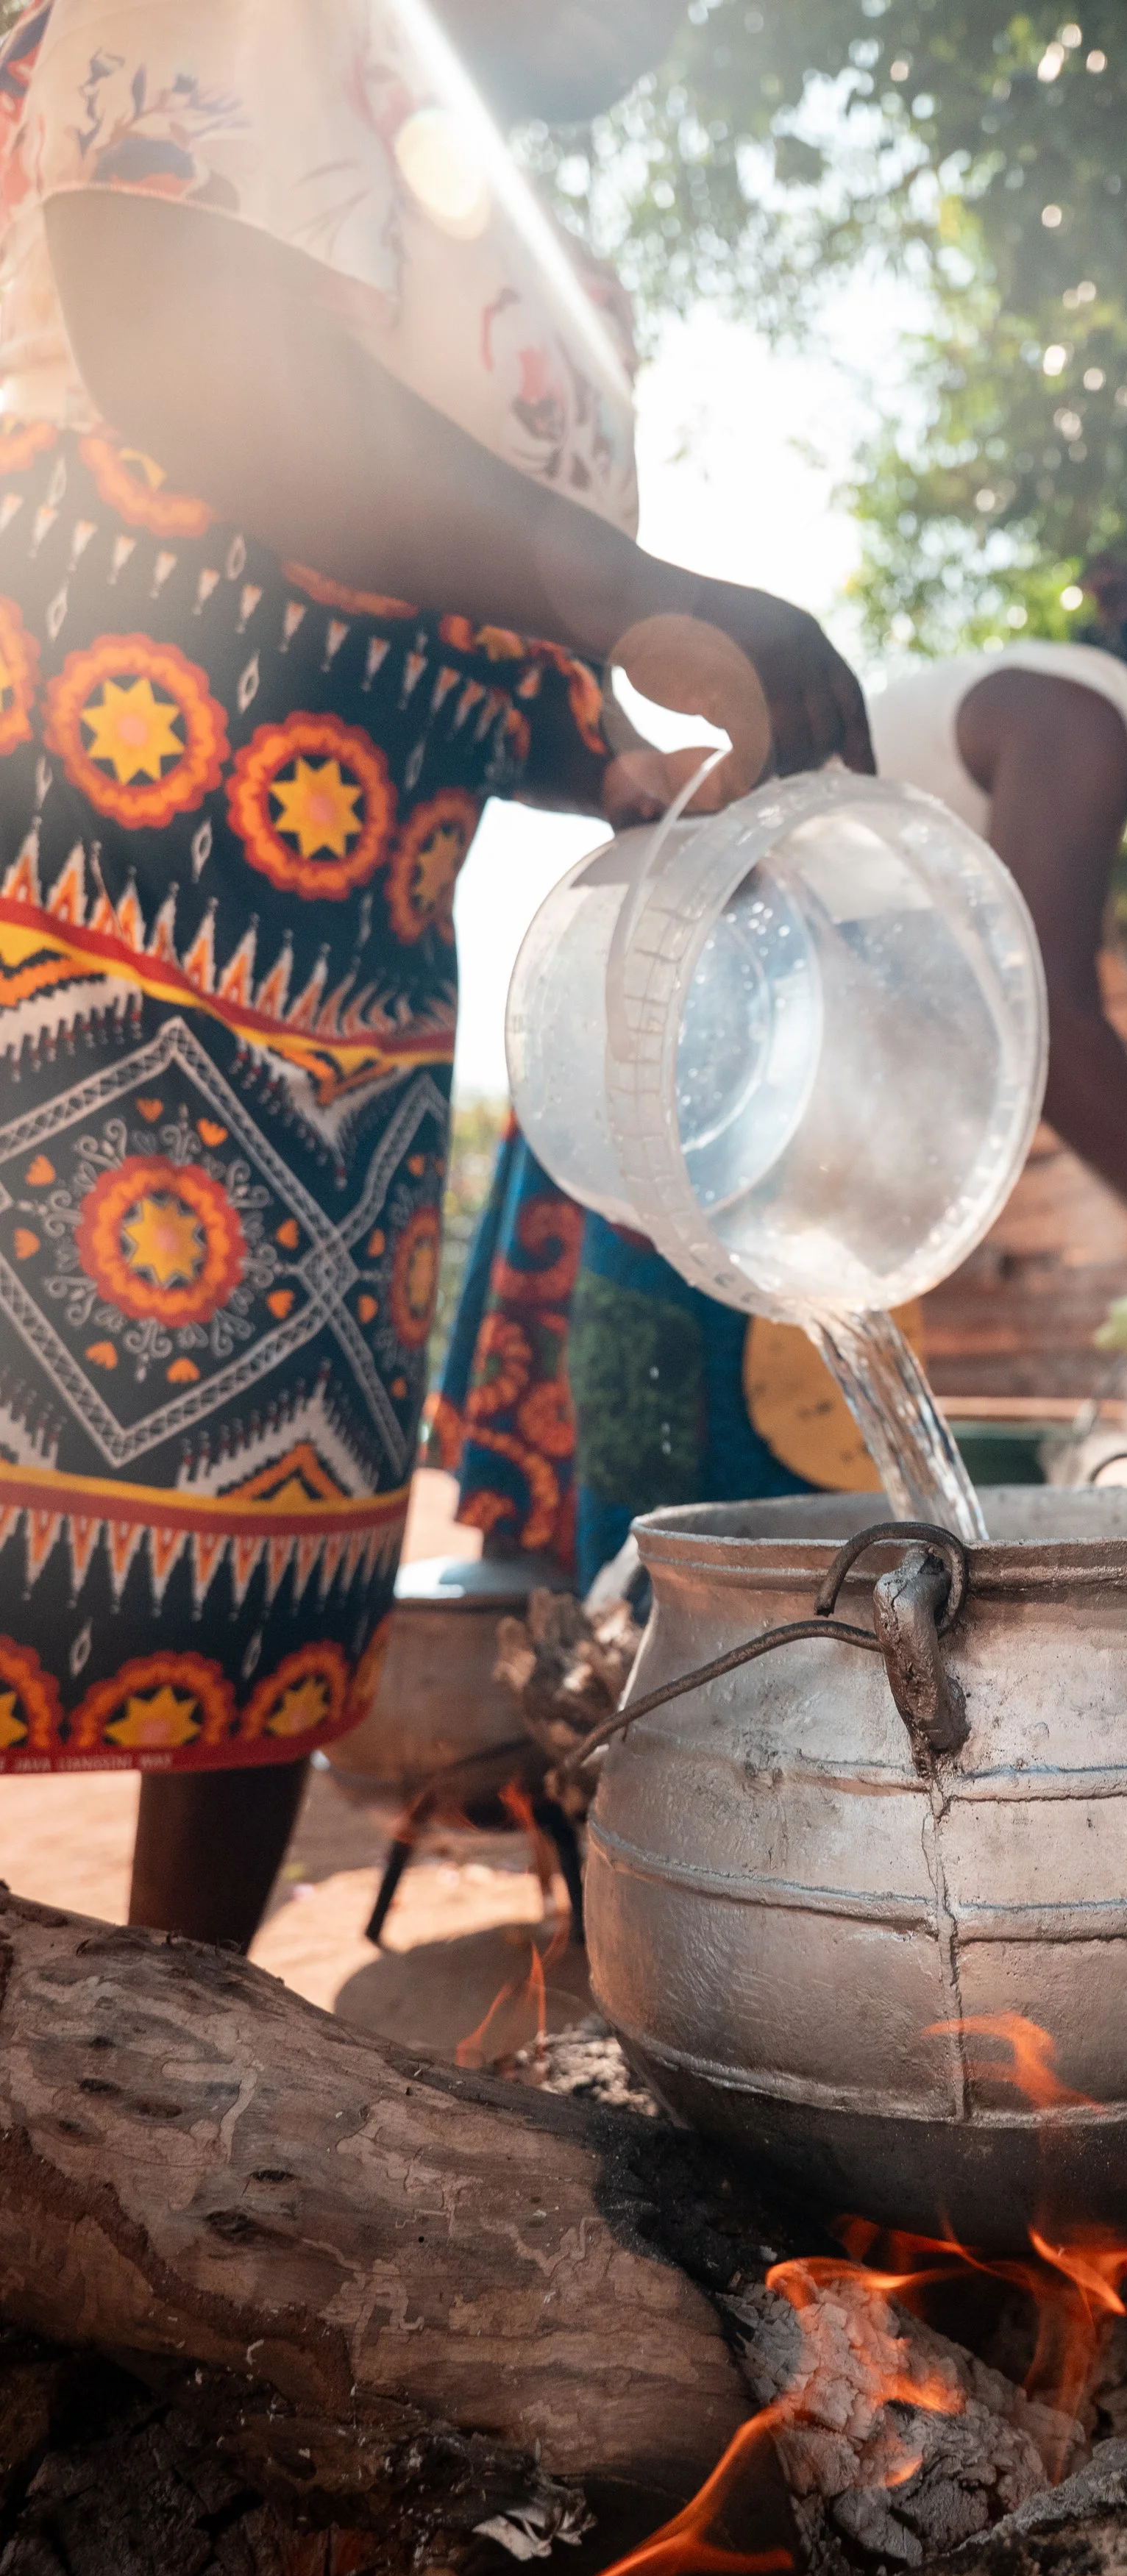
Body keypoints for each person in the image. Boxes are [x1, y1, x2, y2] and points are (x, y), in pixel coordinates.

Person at [0, 0, 870, 1948]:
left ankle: (151, 2083)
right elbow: (177, 339)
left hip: (360, 940)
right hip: (72, 819)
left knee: (251, 1558)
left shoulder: (563, 284)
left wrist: (620, 763)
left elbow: (494, 636)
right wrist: (616, 584)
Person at [435, 505, 1127, 1590]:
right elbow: (1060, 1025)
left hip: (677, 1097)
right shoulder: (1079, 719)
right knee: (734, 1574)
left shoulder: (1027, 704)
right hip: (723, 1125)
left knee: (689, 1561)